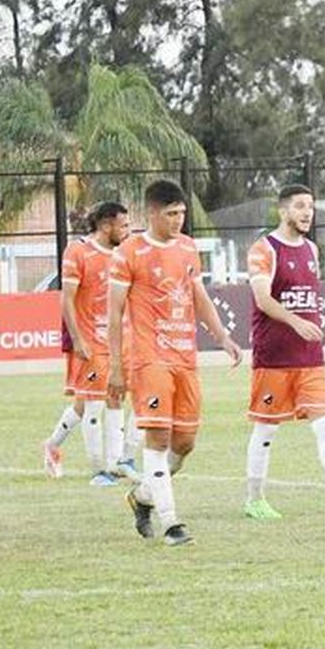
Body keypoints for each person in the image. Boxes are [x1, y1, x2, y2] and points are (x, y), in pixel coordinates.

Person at [109, 180, 243, 546]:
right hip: (149, 357)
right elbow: (115, 309)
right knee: (157, 437)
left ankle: (143, 497)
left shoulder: (186, 248)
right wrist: (116, 367)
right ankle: (171, 523)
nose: (178, 220)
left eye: (181, 213)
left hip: (185, 357)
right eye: (171, 214)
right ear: (151, 213)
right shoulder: (129, 252)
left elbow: (198, 296)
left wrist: (223, 336)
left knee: (184, 444)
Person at [241, 184, 325, 521]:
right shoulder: (263, 249)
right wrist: (297, 323)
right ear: (283, 211)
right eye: (299, 206)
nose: (307, 212)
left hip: (310, 358)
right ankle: (254, 499)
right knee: (266, 430)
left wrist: (307, 328)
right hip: (273, 356)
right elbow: (263, 300)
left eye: (310, 206)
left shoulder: (310, 249)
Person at [59, 202, 135, 486]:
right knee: (92, 406)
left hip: (119, 342)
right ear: (105, 225)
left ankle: (115, 464)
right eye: (123, 225)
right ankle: (97, 470)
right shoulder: (78, 251)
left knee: (116, 398)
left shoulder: (124, 254)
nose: (127, 231)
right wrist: (77, 340)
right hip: (91, 340)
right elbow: (66, 299)